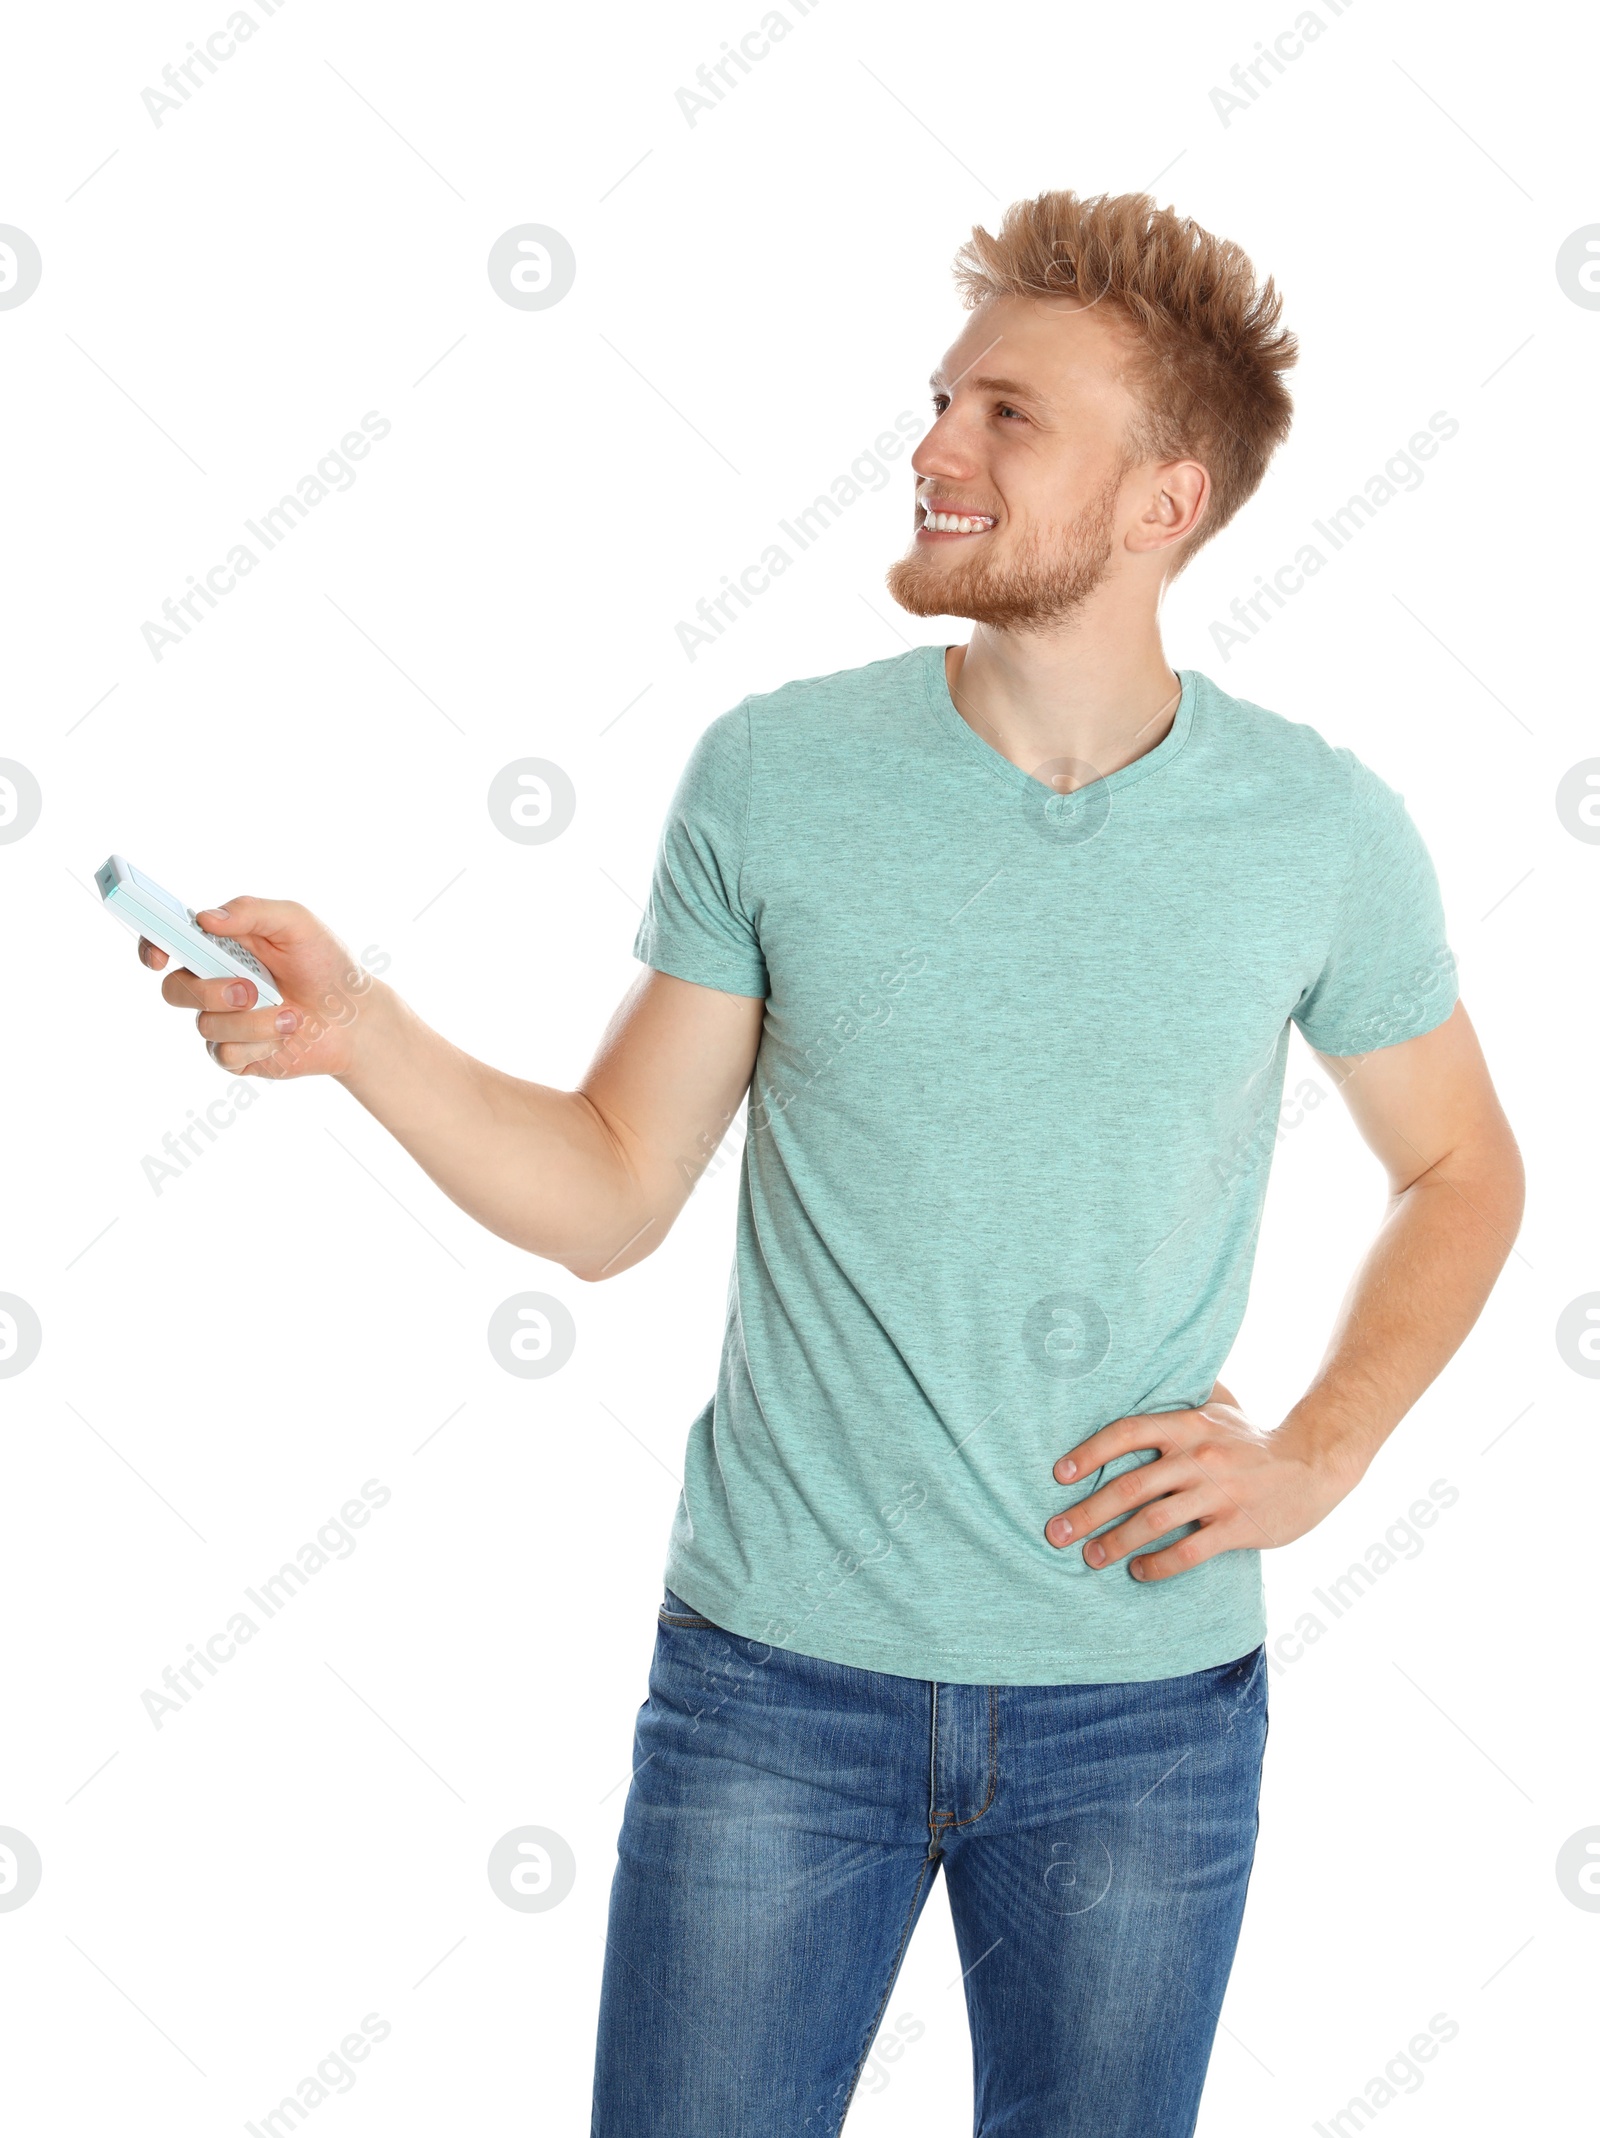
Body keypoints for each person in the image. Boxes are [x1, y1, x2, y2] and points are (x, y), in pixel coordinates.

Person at [136, 191, 1523, 2137]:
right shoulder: (776, 777)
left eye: (1005, 418)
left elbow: (1457, 1164)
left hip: (1139, 1706)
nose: (932, 451)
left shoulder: (1317, 829)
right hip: (773, 1690)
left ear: (1161, 502)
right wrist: (361, 1030)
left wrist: (1316, 1450)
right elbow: (615, 1182)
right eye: (940, 401)